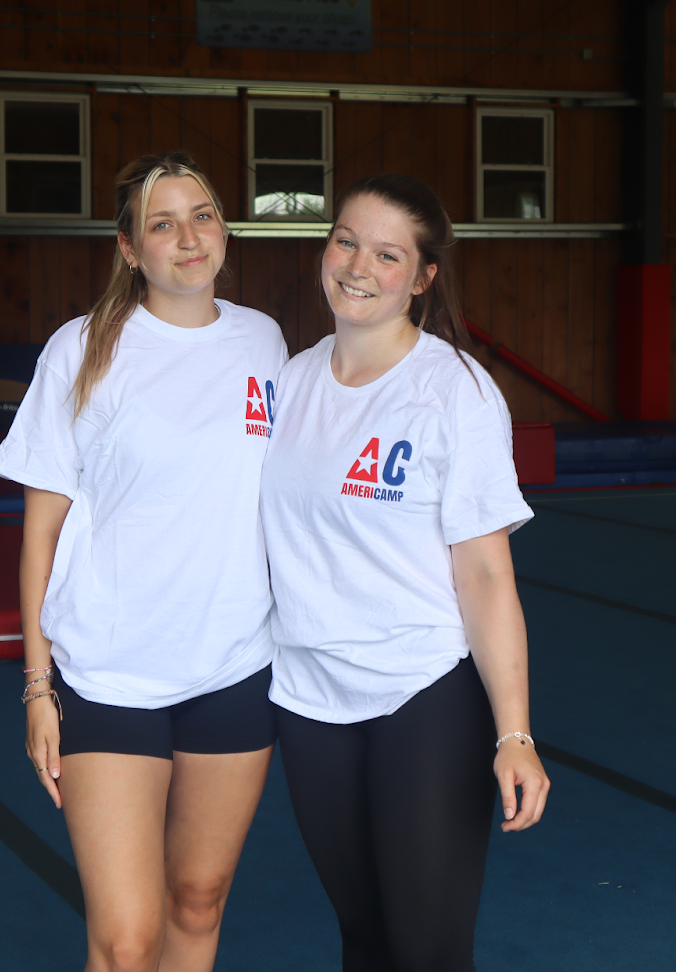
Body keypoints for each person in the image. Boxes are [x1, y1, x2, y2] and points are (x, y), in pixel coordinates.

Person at [0, 152, 288, 972]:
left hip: (233, 665)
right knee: (125, 942)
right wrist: (38, 685)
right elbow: (40, 535)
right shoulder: (84, 348)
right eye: (163, 224)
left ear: (224, 230)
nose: (188, 238)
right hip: (109, 671)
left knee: (198, 899)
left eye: (202, 216)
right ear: (129, 249)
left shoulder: (263, 341)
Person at [259, 174, 549, 972]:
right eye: (346, 241)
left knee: (427, 952)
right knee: (364, 938)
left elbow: (486, 576)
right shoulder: (289, 383)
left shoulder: (454, 393)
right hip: (309, 697)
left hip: (421, 692)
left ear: (422, 278)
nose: (359, 266)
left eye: (388, 255)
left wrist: (514, 734)